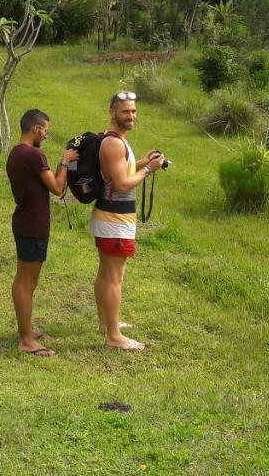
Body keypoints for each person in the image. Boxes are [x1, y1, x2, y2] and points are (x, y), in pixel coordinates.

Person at [92, 91, 165, 351]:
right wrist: (148, 170)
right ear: (113, 112)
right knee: (114, 277)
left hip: (110, 215)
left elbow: (119, 173)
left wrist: (145, 161)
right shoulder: (113, 143)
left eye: (133, 111)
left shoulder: (117, 140)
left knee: (107, 273)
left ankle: (105, 322)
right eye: (125, 111)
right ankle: (113, 336)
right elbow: (122, 183)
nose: (131, 116)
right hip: (114, 217)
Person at [6, 108, 78, 357]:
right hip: (33, 225)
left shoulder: (16, 152)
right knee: (27, 283)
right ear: (36, 129)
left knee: (23, 280)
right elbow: (57, 187)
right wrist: (66, 161)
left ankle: (24, 329)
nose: (46, 134)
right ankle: (26, 339)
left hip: (24, 221)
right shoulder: (34, 156)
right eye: (45, 130)